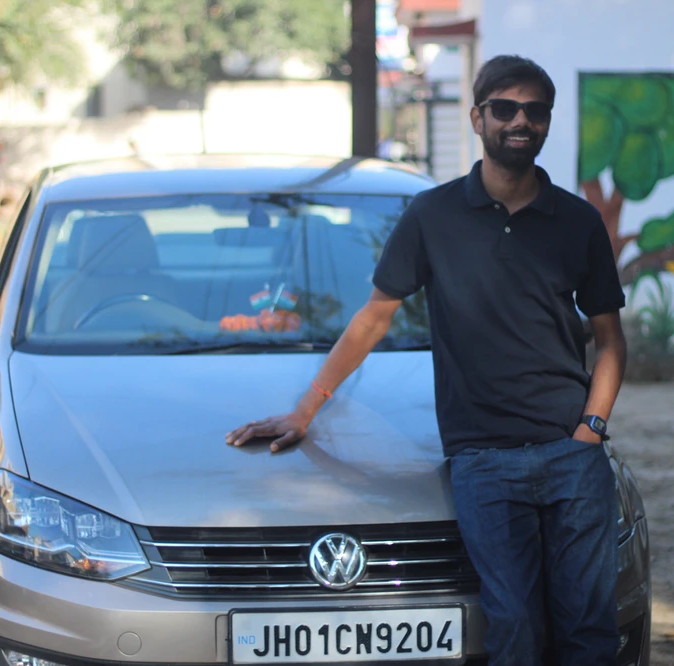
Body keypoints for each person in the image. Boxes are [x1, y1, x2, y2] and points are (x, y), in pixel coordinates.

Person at [225, 54, 628, 666]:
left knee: (589, 632)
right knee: (516, 628)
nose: (520, 121)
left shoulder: (577, 221)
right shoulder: (432, 215)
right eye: (504, 108)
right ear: (477, 117)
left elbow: (610, 339)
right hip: (482, 460)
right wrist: (305, 411)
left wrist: (590, 431)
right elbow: (373, 318)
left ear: (548, 122)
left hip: (571, 454)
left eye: (535, 111)